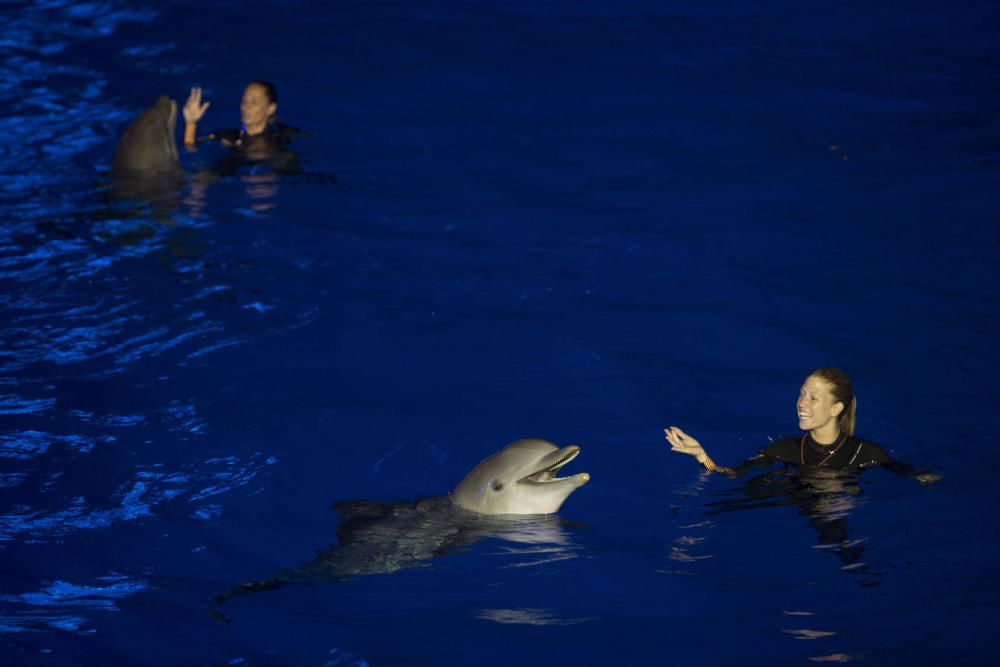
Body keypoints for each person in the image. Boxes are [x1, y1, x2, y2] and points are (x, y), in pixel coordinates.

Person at [665, 368, 939, 482]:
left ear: (836, 409)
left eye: (812, 398)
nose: (801, 403)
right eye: (801, 394)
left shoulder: (867, 455)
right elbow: (733, 475)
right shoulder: (783, 451)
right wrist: (703, 456)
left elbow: (912, 474)